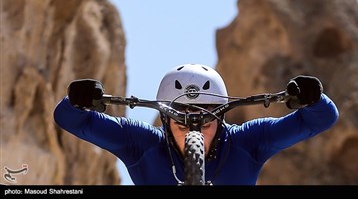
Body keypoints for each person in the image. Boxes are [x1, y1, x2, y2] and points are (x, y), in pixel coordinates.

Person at [53, 63, 339, 185]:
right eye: (181, 110)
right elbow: (69, 119)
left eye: (205, 111)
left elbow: (323, 118)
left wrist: (314, 99)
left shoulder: (248, 140)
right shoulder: (141, 143)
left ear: (223, 112)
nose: (194, 121)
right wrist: (77, 100)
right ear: (164, 117)